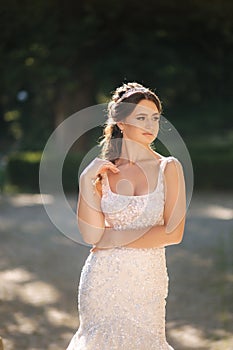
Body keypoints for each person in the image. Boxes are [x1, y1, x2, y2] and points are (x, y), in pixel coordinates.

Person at [66, 82, 186, 350]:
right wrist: (86, 180)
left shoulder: (169, 167)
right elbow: (91, 235)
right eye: (141, 117)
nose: (151, 125)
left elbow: (173, 232)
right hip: (101, 280)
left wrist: (113, 238)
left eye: (155, 118)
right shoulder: (105, 171)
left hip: (146, 281)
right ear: (120, 122)